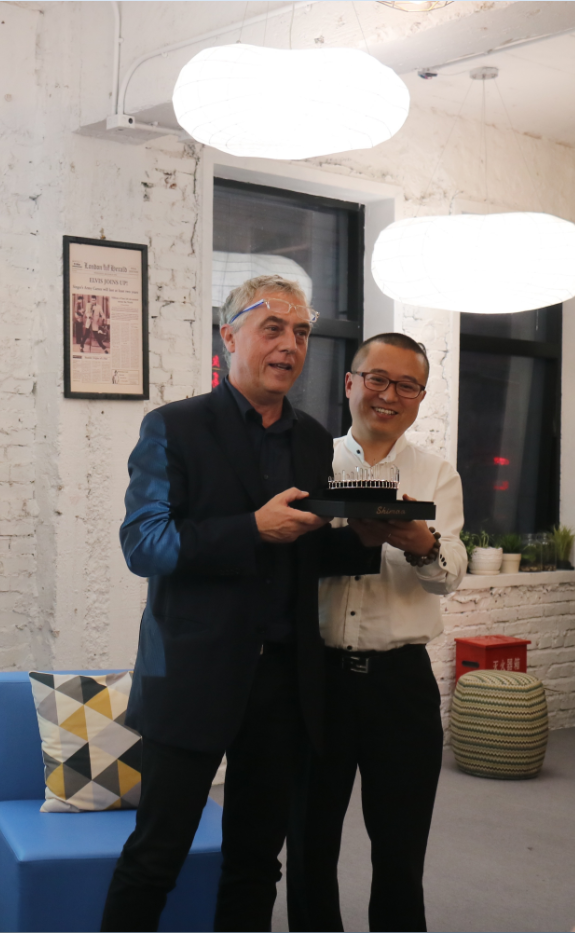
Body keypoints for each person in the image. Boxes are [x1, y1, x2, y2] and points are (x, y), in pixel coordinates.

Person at [100, 275, 383, 933]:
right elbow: (143, 544)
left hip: (283, 683)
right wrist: (250, 528)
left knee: (256, 863)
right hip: (192, 675)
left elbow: (301, 552)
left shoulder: (313, 440)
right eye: (272, 328)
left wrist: (366, 538)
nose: (290, 345)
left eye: (302, 332)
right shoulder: (173, 427)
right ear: (228, 336)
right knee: (155, 857)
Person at [287, 333, 466, 933]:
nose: (389, 395)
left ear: (420, 397)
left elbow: (448, 577)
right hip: (317, 680)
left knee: (400, 848)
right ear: (350, 383)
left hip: (400, 685)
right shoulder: (311, 463)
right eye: (377, 379)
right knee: (309, 842)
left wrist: (422, 544)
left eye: (407, 385)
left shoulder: (437, 474)